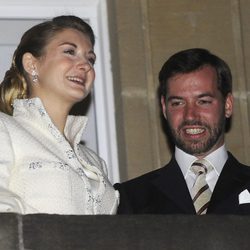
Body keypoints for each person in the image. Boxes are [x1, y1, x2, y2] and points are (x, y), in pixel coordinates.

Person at [0, 15, 119, 215]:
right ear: (31, 64)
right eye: (70, 52)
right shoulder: (5, 129)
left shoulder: (95, 162)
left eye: (90, 59)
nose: (86, 65)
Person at [114, 48, 250, 215]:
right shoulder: (131, 198)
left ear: (227, 105)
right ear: (164, 108)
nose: (190, 115)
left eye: (203, 101)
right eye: (178, 103)